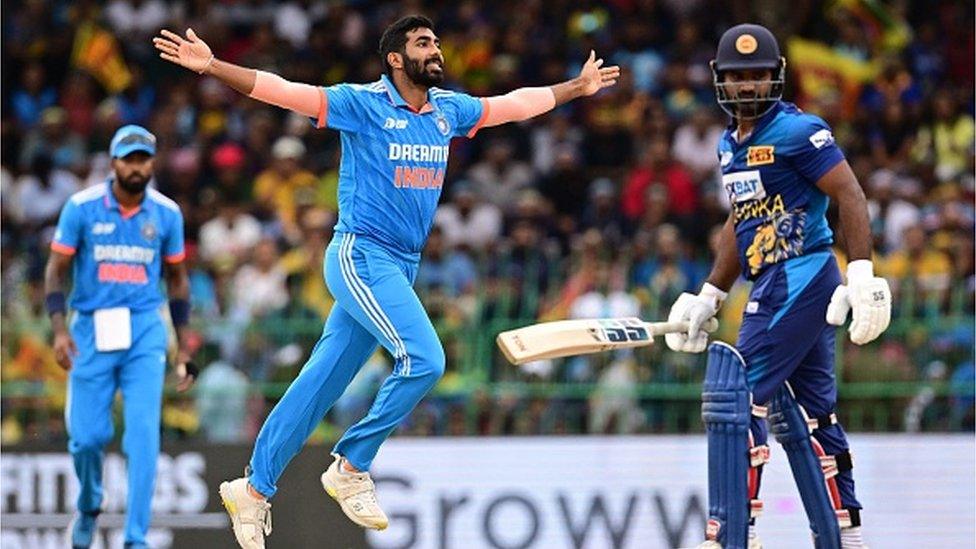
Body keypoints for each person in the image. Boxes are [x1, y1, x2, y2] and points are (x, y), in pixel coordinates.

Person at [154, 15, 619, 548]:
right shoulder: (362, 103)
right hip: (361, 255)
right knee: (426, 359)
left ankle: (253, 489)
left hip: (401, 265)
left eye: (437, 41)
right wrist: (213, 65)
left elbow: (514, 103)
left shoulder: (448, 110)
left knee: (321, 381)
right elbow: (282, 91)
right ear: (396, 58)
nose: (436, 49)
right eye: (424, 43)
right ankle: (351, 464)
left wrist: (576, 88)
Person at [666, 25, 892, 549]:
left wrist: (862, 272)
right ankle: (845, 532)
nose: (749, 86)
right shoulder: (729, 143)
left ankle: (731, 531)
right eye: (738, 77)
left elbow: (851, 195)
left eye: (759, 75)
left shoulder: (798, 131)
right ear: (721, 81)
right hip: (774, 277)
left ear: (776, 77)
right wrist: (711, 294)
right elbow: (740, 220)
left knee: (736, 397)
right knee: (814, 416)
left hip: (800, 274)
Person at [44, 125, 198, 549]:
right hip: (91, 328)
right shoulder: (82, 207)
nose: (136, 166)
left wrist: (182, 347)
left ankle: (135, 537)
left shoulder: (166, 213)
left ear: (153, 163)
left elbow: (178, 281)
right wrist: (58, 330)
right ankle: (90, 499)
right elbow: (55, 271)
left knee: (144, 436)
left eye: (143, 159)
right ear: (113, 162)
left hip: (146, 329)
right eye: (128, 159)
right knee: (87, 437)